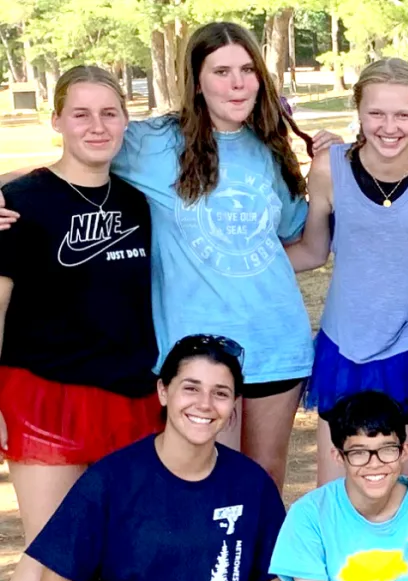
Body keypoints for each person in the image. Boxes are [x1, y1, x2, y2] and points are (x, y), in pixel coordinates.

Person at [0, 22, 318, 489]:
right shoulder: (151, 142)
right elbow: (78, 156)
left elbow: (286, 241)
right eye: (221, 70)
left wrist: (331, 172)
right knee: (206, 487)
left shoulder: (270, 147)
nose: (236, 83)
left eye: (247, 69)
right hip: (196, 351)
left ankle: (261, 567)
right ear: (195, 80)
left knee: (264, 484)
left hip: (278, 343)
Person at [0, 66, 162, 581]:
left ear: (125, 122)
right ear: (57, 122)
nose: (97, 126)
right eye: (82, 114)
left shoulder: (137, 203)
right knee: (51, 551)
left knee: (121, 550)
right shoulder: (18, 203)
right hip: (47, 395)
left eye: (109, 113)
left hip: (130, 396)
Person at [286, 57, 408, 490]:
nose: (390, 126)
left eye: (403, 114)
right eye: (376, 113)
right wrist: (246, 262)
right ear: (359, 112)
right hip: (347, 346)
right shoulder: (329, 168)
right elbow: (313, 250)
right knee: (337, 490)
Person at [25, 334, 288, 581]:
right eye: (191, 388)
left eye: (220, 393)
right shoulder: (111, 480)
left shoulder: (251, 483)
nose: (205, 404)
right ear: (163, 391)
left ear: (233, 402)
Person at [270, 391, 408, 581]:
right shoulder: (309, 514)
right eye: (358, 453)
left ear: (404, 451)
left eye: (387, 449)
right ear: (339, 456)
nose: (375, 463)